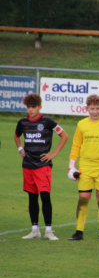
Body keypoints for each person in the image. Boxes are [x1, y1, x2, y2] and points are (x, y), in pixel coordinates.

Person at [14, 93, 69, 241]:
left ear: (40, 107)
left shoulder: (47, 122)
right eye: (28, 107)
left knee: (45, 195)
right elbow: (17, 135)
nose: (30, 110)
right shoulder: (22, 122)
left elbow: (64, 136)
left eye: (33, 107)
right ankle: (35, 229)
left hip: (43, 165)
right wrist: (20, 149)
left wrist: (54, 153)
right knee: (32, 197)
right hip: (27, 164)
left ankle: (49, 231)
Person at [68, 94, 99, 241]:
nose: (95, 111)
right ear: (87, 108)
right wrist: (72, 165)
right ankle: (79, 232)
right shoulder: (81, 124)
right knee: (83, 198)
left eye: (97, 108)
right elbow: (76, 144)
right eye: (92, 108)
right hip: (86, 166)